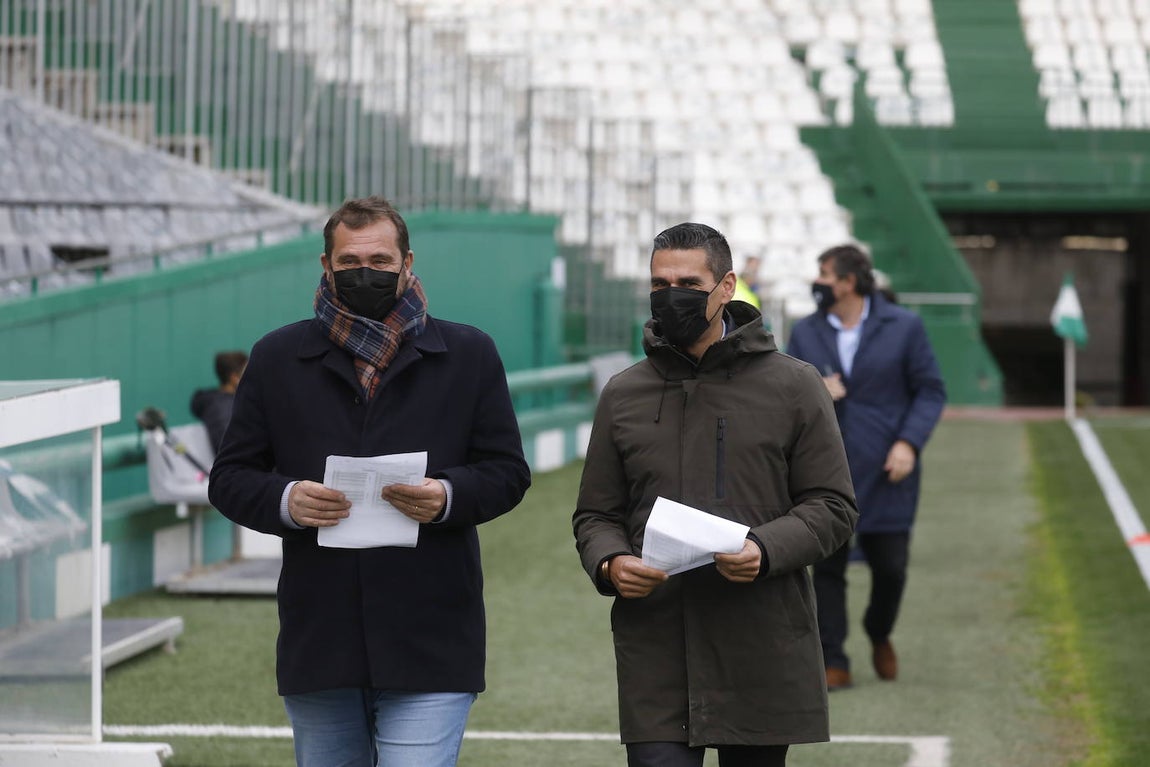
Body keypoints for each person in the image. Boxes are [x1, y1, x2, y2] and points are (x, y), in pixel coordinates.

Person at [208, 196, 531, 767]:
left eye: (381, 261)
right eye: (351, 260)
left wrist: (446, 496)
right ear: (326, 265)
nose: (366, 272)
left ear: (408, 264)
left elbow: (506, 472)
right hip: (320, 636)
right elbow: (230, 478)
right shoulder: (278, 357)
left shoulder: (469, 354)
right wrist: (286, 499)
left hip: (432, 633)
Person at [572, 222, 858, 767]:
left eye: (687, 282)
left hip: (761, 642)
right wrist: (609, 561)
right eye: (659, 283)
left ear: (726, 286)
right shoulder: (624, 393)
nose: (670, 296)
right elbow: (595, 514)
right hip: (656, 643)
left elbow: (833, 506)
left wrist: (765, 549)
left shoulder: (796, 386)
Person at [785, 244, 946, 692]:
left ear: (849, 281)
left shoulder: (905, 326)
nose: (818, 282)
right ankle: (833, 659)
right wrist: (816, 388)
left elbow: (930, 390)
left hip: (889, 469)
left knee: (891, 568)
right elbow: (783, 392)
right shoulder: (805, 332)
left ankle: (879, 632)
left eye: (824, 274)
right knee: (828, 569)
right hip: (824, 470)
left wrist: (908, 444)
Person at [189, 350, 248, 453]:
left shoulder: (224, 404)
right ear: (234, 378)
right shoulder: (222, 409)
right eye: (247, 372)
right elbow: (233, 448)